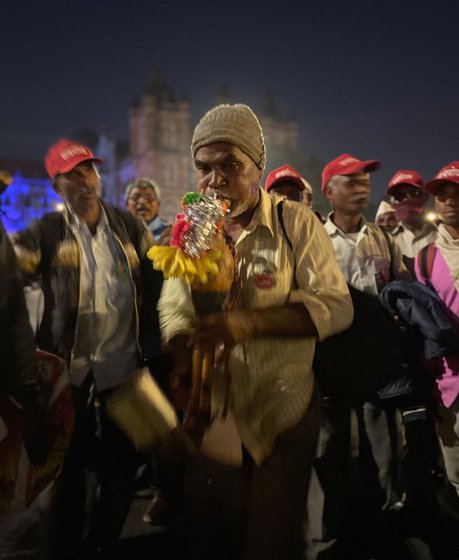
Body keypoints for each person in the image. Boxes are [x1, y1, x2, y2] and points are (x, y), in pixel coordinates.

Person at [158, 103, 353, 560]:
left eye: (230, 165)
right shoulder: (192, 228)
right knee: (214, 536)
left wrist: (248, 324)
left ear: (258, 168)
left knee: (267, 541)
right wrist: (185, 359)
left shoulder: (295, 223)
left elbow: (336, 306)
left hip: (281, 411)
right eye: (204, 168)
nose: (214, 180)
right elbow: (173, 307)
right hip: (214, 418)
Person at [13, 139, 162, 560]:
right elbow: (10, 272)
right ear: (56, 186)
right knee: (67, 472)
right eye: (71, 176)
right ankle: (67, 546)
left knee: (120, 472)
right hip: (68, 374)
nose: (83, 182)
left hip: (125, 370)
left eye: (88, 172)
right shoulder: (45, 232)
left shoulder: (129, 228)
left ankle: (104, 543)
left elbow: (159, 284)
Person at [308, 153, 410, 558]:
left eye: (365, 181)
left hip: (375, 360)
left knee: (382, 448)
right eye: (351, 181)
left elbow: (397, 285)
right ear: (329, 191)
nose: (362, 187)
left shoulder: (381, 238)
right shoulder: (314, 239)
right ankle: (324, 539)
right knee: (326, 451)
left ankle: (382, 528)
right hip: (329, 358)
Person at [417, 162, 459, 499]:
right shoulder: (425, 258)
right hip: (448, 388)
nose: (450, 201)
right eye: (442, 195)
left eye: (457, 193)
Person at [388, 169, 437, 277]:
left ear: (425, 197)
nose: (407, 199)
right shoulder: (386, 242)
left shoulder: (445, 235)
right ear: (392, 203)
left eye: (414, 193)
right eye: (399, 196)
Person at [125, 177, 171, 244]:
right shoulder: (121, 234)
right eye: (136, 197)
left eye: (149, 197)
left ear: (158, 204)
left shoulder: (170, 234)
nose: (142, 202)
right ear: (127, 204)